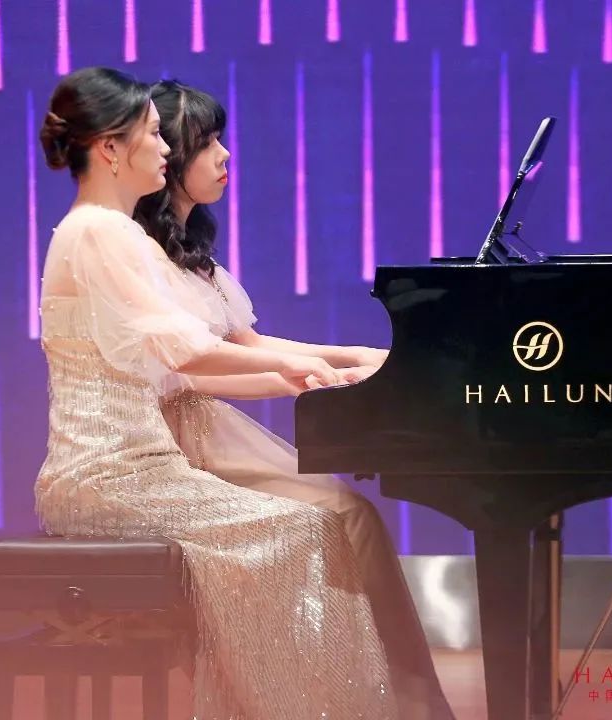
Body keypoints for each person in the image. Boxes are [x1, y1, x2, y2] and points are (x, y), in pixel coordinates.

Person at [35, 66, 397, 719]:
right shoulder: (97, 231)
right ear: (111, 148)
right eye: (154, 134)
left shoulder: (111, 231)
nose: (166, 148)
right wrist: (295, 372)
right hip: (108, 476)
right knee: (307, 529)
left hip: (145, 469)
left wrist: (309, 370)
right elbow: (185, 350)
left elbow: (188, 352)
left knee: (317, 524)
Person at [134, 79, 457, 720]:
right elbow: (194, 369)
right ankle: (360, 701)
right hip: (172, 442)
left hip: (211, 432)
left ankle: (403, 700)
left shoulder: (196, 262)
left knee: (352, 514)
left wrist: (356, 356)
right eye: (207, 143)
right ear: (168, 156)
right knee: (343, 515)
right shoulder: (139, 259)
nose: (225, 155)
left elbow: (251, 343)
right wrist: (306, 372)